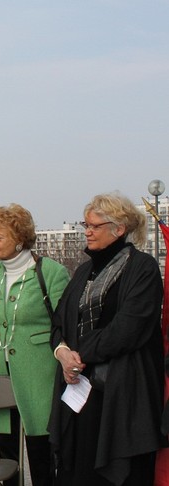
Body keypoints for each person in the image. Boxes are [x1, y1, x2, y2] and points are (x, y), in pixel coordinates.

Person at [49, 192, 165, 485]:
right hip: (79, 387)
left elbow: (128, 329)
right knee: (77, 470)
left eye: (94, 225)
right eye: (84, 224)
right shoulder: (84, 270)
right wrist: (62, 352)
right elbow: (60, 320)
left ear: (119, 228)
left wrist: (79, 355)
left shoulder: (143, 268)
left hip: (123, 392)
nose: (87, 231)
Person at [0, 204, 69, 486]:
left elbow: (65, 326)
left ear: (19, 238)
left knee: (41, 453)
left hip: (39, 374)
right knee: (6, 454)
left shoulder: (51, 273)